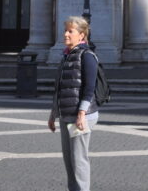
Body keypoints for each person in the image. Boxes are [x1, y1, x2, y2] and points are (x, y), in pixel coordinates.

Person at [49, 16, 101, 191]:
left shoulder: (87, 56)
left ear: (82, 35)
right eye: (65, 30)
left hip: (81, 115)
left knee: (79, 160)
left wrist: (81, 114)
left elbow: (89, 87)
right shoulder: (66, 56)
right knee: (69, 160)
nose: (65, 34)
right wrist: (53, 114)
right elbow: (60, 87)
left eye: (70, 31)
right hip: (66, 114)